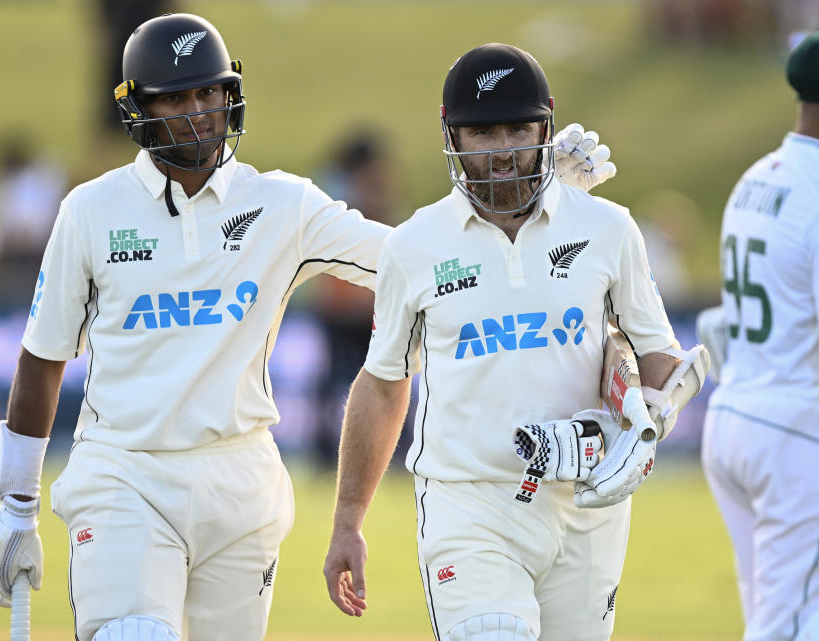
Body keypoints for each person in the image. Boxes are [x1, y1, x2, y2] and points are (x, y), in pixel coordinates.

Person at [0, 15, 617, 641]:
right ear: (137, 109)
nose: (198, 112)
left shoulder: (280, 204)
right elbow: (43, 357)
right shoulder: (91, 211)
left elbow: (416, 258)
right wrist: (17, 505)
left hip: (240, 481)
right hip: (124, 475)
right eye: (176, 99)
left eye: (210, 93)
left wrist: (529, 192)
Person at [323, 43, 706, 641]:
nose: (502, 149)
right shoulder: (415, 244)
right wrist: (348, 520)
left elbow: (656, 354)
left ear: (544, 126)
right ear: (451, 134)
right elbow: (382, 381)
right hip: (470, 504)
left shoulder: (606, 228)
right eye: (483, 133)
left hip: (585, 509)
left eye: (518, 129)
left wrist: (650, 420)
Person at [697, 32, 819, 641]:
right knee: (796, 626)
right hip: (796, 434)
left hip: (734, 416)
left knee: (771, 620)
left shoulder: (757, 177)